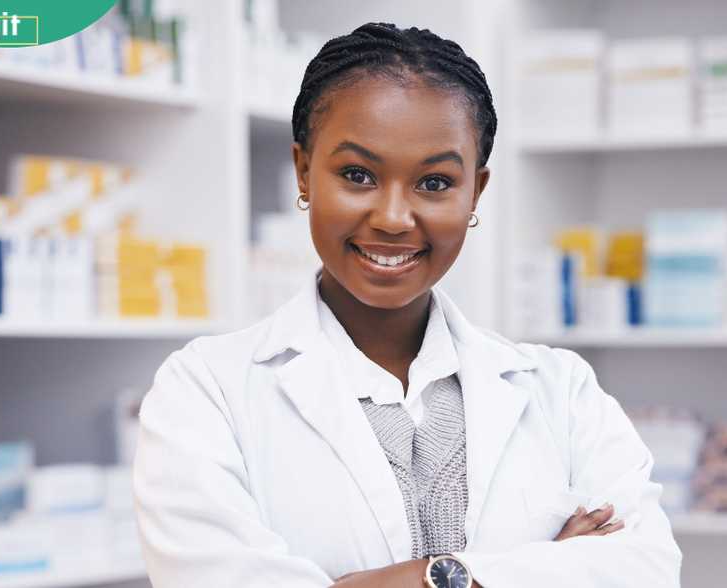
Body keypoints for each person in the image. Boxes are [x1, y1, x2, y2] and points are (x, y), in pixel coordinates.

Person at [133, 22, 681, 588]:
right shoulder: (206, 391)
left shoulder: (561, 390)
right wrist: (532, 569)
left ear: (476, 191)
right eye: (358, 175)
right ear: (303, 171)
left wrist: (427, 577)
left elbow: (647, 569)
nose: (394, 217)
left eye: (435, 183)